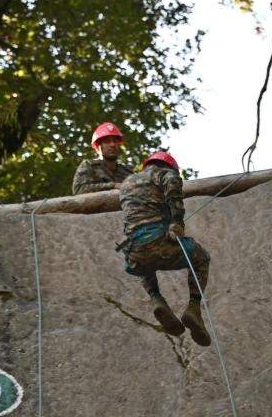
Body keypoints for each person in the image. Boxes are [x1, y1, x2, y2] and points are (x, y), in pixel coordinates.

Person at [116, 151, 212, 346]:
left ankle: (156, 298)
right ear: (169, 166)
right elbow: (172, 185)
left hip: (133, 252)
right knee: (201, 257)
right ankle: (193, 307)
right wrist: (177, 222)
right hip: (158, 242)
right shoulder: (164, 173)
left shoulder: (126, 184)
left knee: (144, 262)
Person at [72, 122, 133, 195]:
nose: (112, 144)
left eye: (115, 141)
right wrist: (113, 186)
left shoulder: (127, 172)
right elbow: (79, 189)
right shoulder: (89, 166)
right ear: (98, 147)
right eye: (107, 141)